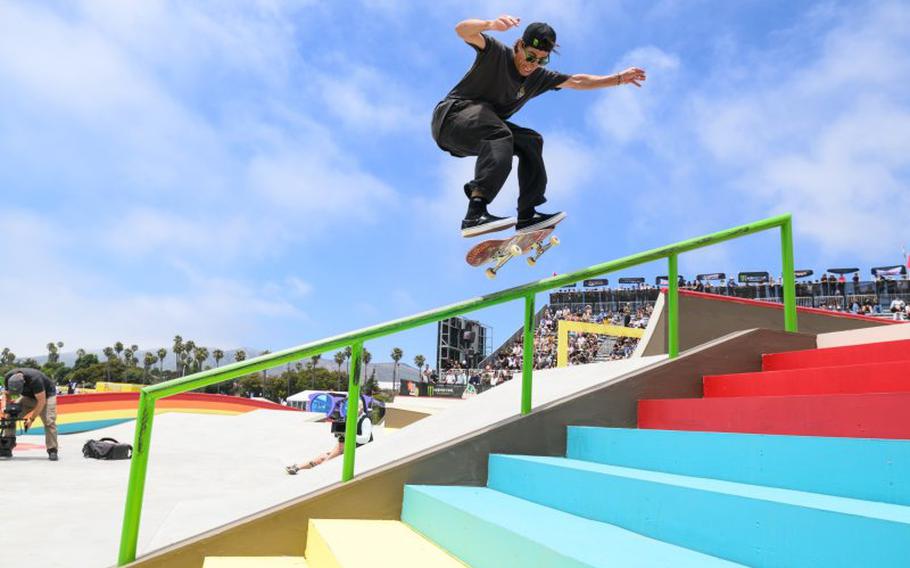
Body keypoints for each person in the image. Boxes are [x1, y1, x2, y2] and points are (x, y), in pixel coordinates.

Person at [432, 15, 646, 237]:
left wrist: (618, 78)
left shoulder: (539, 77)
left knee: (530, 141)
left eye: (540, 61)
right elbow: (462, 30)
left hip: (475, 135)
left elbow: (577, 81)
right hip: (451, 118)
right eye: (530, 56)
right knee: (499, 132)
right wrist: (491, 25)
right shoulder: (496, 52)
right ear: (520, 45)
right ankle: (475, 213)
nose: (531, 64)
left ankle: (527, 215)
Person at [285, 397, 373, 475]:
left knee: (330, 454)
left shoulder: (365, 420)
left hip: (360, 451)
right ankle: (298, 467)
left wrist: (349, 436)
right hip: (348, 447)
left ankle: (316, 466)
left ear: (360, 409)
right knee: (323, 456)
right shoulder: (352, 418)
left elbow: (365, 439)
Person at [1, 368, 58, 460]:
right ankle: (7, 446)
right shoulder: (8, 377)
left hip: (46, 397)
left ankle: (52, 449)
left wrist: (31, 419)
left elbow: (41, 401)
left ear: (23, 383)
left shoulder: (35, 380)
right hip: (28, 396)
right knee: (11, 417)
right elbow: (7, 395)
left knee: (49, 421)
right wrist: (7, 409)